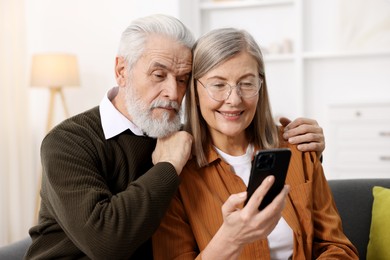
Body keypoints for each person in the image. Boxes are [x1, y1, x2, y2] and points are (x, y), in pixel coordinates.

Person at [26, 15, 325, 259]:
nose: (173, 92)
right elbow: (105, 243)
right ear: (121, 70)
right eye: (159, 75)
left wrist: (307, 151)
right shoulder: (67, 142)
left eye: (182, 79)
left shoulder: (178, 135)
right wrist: (166, 168)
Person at [152, 28, 358, 259]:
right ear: (195, 90)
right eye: (218, 85)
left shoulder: (297, 147)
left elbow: (336, 247)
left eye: (247, 84)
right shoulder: (175, 174)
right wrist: (230, 238)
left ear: (261, 86)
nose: (234, 99)